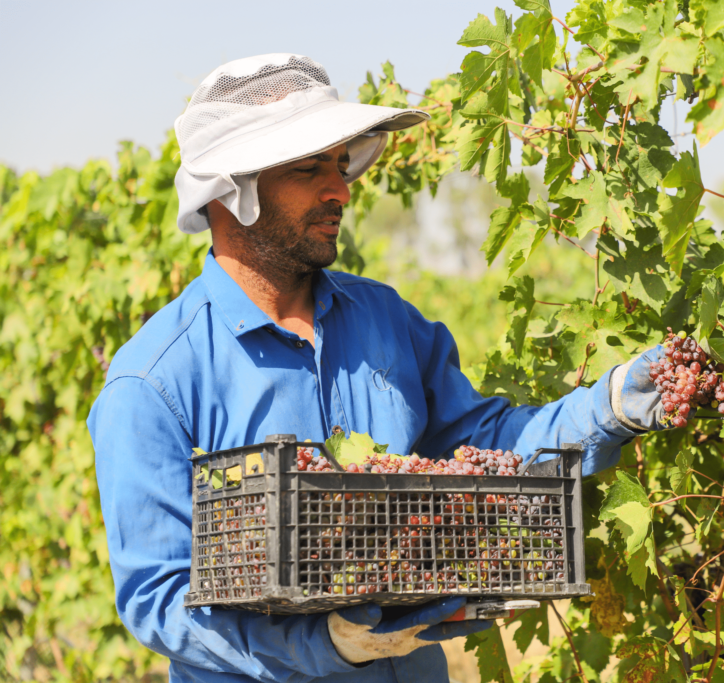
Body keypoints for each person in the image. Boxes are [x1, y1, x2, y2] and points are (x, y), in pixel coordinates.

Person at [88, 53, 672, 683]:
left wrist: (606, 408)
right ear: (235, 190)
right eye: (310, 168)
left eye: (340, 166)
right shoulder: (153, 383)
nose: (339, 189)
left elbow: (485, 453)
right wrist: (323, 644)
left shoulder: (387, 321)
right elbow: (157, 598)